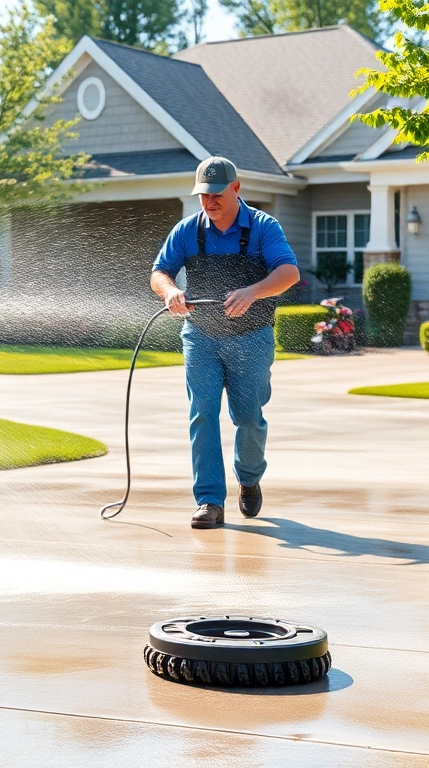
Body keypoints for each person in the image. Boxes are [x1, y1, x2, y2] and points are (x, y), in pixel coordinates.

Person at [150, 157, 300, 529]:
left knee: (248, 417)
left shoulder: (264, 227)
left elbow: (288, 272)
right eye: (203, 195)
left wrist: (253, 292)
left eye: (216, 194)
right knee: (202, 413)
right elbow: (160, 272)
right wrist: (170, 292)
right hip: (200, 336)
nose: (209, 202)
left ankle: (249, 479)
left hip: (251, 338)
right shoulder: (188, 230)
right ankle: (209, 501)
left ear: (236, 189)